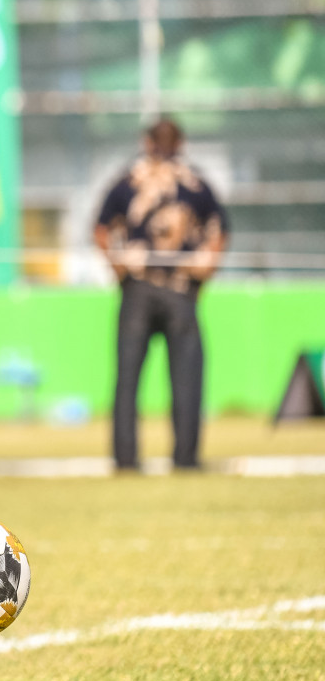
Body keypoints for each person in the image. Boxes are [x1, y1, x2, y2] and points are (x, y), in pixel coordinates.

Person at [94, 118, 229, 471]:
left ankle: (126, 460)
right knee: (186, 378)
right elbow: (219, 232)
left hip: (138, 287)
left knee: (127, 380)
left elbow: (100, 229)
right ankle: (185, 459)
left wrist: (119, 268)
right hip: (180, 289)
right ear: (181, 142)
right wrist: (204, 274)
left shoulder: (127, 182)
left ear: (147, 141)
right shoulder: (195, 184)